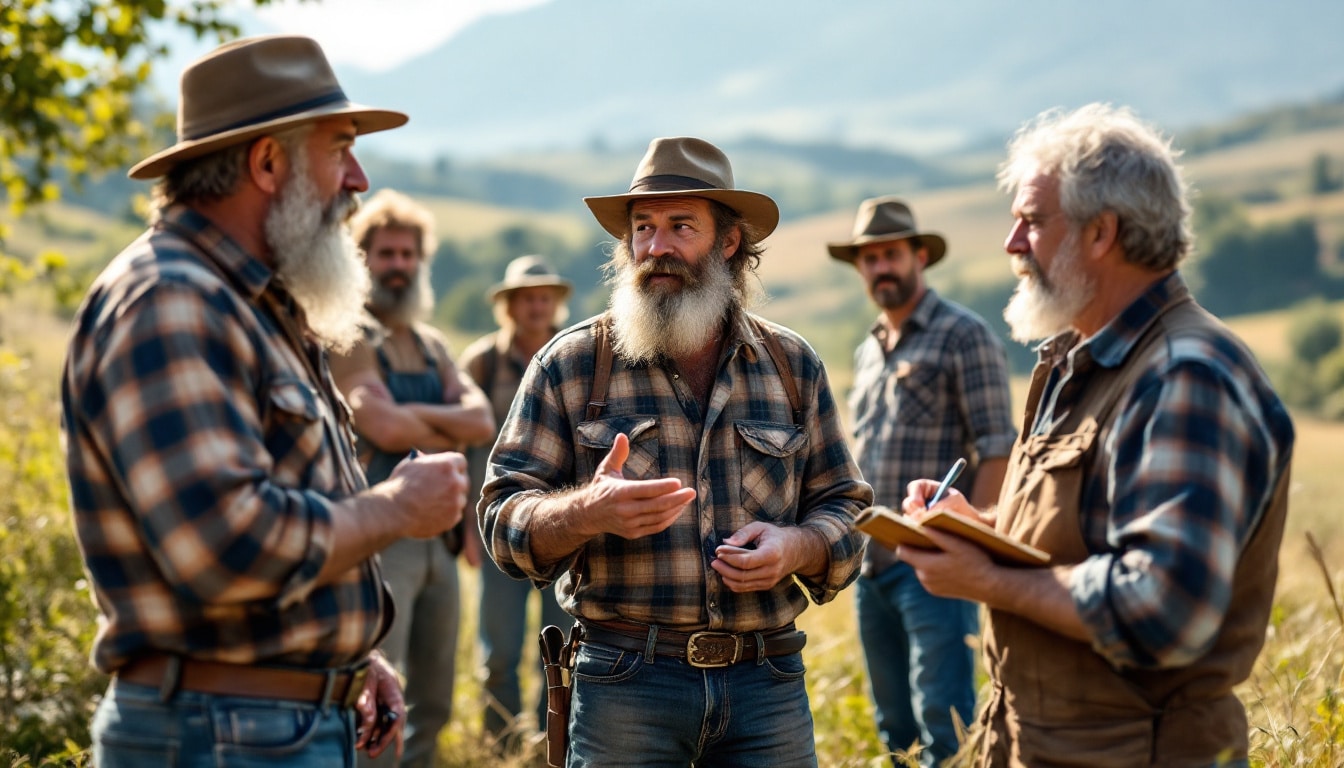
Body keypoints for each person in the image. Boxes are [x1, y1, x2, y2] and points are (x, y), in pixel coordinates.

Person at [61, 35, 469, 766]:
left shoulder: (256, 305)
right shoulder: (173, 301)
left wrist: (343, 665)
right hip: (221, 733)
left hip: (259, 722)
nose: (358, 178)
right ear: (268, 162)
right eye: (340, 148)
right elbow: (224, 548)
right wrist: (398, 508)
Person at [897, 103, 1295, 767]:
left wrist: (988, 582)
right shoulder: (1081, 359)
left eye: (1032, 221)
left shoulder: (1183, 378)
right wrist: (978, 530)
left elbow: (1162, 609)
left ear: (1101, 233)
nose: (1012, 243)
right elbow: (1083, 534)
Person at [480, 136, 873, 767]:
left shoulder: (792, 365)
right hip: (624, 683)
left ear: (728, 242)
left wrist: (798, 546)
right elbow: (501, 522)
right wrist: (587, 512)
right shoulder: (573, 364)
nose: (656, 248)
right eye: (643, 228)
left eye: (680, 226)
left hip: (766, 681)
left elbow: (848, 511)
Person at [828, 197, 1016, 766]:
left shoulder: (964, 334)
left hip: (935, 563)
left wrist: (971, 539)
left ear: (919, 256)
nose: (880, 267)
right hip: (873, 564)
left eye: (891, 254)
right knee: (895, 730)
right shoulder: (868, 350)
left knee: (946, 724)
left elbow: (997, 448)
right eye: (869, 258)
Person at [331, 188, 496, 768]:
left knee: (435, 700)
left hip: (441, 548)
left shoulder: (431, 345)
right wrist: (434, 427)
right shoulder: (349, 336)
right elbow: (377, 423)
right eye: (386, 254)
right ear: (364, 260)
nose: (398, 266)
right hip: (381, 541)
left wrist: (411, 420)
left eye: (408, 255)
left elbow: (481, 420)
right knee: (380, 700)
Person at [459, 255, 573, 751]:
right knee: (499, 650)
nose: (537, 306)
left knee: (561, 647)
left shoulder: (573, 358)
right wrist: (467, 525)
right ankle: (501, 745)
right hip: (497, 528)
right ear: (509, 306)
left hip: (563, 530)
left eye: (545, 297)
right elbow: (463, 452)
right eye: (527, 297)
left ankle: (555, 747)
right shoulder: (481, 363)